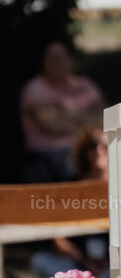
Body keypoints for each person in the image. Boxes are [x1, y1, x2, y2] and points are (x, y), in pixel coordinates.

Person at [30, 126, 121, 278]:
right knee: (40, 260)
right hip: (76, 263)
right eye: (93, 145)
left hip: (115, 263)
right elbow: (58, 236)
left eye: (106, 146)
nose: (99, 151)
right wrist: (83, 260)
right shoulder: (69, 186)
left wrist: (109, 263)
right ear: (85, 150)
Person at [19, 39, 105, 183]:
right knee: (78, 161)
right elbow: (53, 126)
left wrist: (69, 114)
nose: (55, 62)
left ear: (70, 59)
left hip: (90, 148)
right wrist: (88, 120)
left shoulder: (84, 85)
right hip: (49, 156)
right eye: (50, 58)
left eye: (59, 57)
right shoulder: (35, 88)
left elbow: (106, 117)